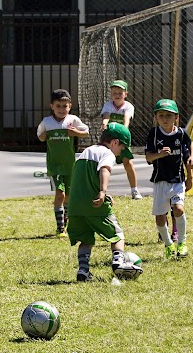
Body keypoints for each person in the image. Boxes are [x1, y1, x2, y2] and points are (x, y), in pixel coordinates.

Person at [66, 123, 143, 282]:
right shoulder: (107, 154)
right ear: (115, 142)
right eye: (121, 149)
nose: (120, 153)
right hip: (94, 205)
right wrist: (102, 191)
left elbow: (85, 180)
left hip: (75, 206)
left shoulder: (86, 151)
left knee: (86, 239)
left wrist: (103, 194)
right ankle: (118, 262)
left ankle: (83, 271)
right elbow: (104, 170)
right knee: (117, 234)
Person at [145, 99, 193, 259]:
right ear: (156, 118)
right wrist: (159, 154)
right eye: (161, 115)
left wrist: (191, 173)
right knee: (160, 218)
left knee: (178, 209)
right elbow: (149, 157)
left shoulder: (181, 133)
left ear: (176, 117)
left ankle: (182, 243)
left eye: (169, 115)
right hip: (160, 181)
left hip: (178, 180)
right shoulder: (153, 134)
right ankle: (168, 245)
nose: (165, 119)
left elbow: (190, 147)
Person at [37, 89, 90, 236]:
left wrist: (76, 133)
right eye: (58, 106)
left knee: (68, 195)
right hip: (55, 165)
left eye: (65, 106)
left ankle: (65, 222)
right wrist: (43, 136)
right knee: (59, 193)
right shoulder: (47, 122)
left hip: (69, 165)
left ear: (70, 106)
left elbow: (86, 131)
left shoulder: (72, 120)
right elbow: (40, 135)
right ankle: (60, 227)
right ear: (52, 106)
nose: (62, 109)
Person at [101, 80, 142, 200]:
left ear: (126, 94)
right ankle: (100, 190)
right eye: (114, 92)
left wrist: (123, 130)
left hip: (122, 139)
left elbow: (126, 119)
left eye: (120, 92)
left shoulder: (128, 106)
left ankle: (134, 190)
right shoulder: (108, 106)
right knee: (103, 164)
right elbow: (106, 117)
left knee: (128, 163)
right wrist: (104, 124)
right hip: (109, 140)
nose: (117, 95)